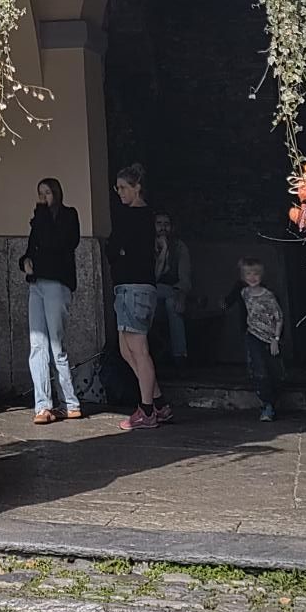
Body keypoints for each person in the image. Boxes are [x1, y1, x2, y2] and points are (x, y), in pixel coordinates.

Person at [105, 164, 172, 429]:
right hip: (127, 286)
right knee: (126, 349)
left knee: (139, 350)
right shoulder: (136, 217)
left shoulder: (136, 217)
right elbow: (114, 249)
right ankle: (158, 402)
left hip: (134, 287)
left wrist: (119, 253)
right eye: (117, 188)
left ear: (137, 188)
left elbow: (116, 248)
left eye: (124, 187)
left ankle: (146, 410)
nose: (120, 192)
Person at [20, 177, 83, 424]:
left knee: (56, 344)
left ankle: (70, 402)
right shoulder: (39, 219)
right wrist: (25, 262)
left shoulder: (68, 215)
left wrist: (43, 217)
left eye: (47, 192)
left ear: (56, 193)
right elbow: (32, 248)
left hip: (57, 282)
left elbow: (60, 244)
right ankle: (43, 405)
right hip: (36, 283)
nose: (43, 197)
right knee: (37, 345)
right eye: (40, 193)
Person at [226, 257, 284, 421]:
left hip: (270, 337)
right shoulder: (243, 292)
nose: (252, 277)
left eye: (256, 273)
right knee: (259, 370)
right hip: (253, 335)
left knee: (275, 371)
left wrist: (276, 338)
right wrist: (220, 306)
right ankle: (267, 405)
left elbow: (279, 317)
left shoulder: (269, 296)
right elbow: (228, 302)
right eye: (248, 274)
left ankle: (273, 400)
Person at [152, 211, 192, 365]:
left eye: (166, 224)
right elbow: (152, 278)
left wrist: (181, 295)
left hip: (172, 292)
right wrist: (163, 252)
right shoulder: (147, 245)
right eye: (159, 224)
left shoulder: (180, 247)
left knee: (172, 304)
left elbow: (185, 278)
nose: (163, 228)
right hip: (151, 293)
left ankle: (179, 356)